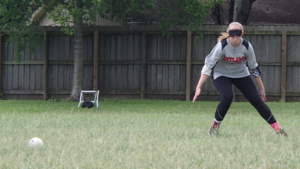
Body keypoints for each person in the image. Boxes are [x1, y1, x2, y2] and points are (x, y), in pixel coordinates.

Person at [192, 22, 287, 136]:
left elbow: (253, 68)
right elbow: (208, 67)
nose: (235, 37)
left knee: (256, 99)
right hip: (221, 74)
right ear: (228, 34)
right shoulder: (221, 46)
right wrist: (198, 86)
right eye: (232, 34)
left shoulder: (246, 46)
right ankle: (214, 128)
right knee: (227, 96)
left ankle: (278, 129)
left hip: (241, 74)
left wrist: (262, 89)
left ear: (242, 33)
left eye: (238, 33)